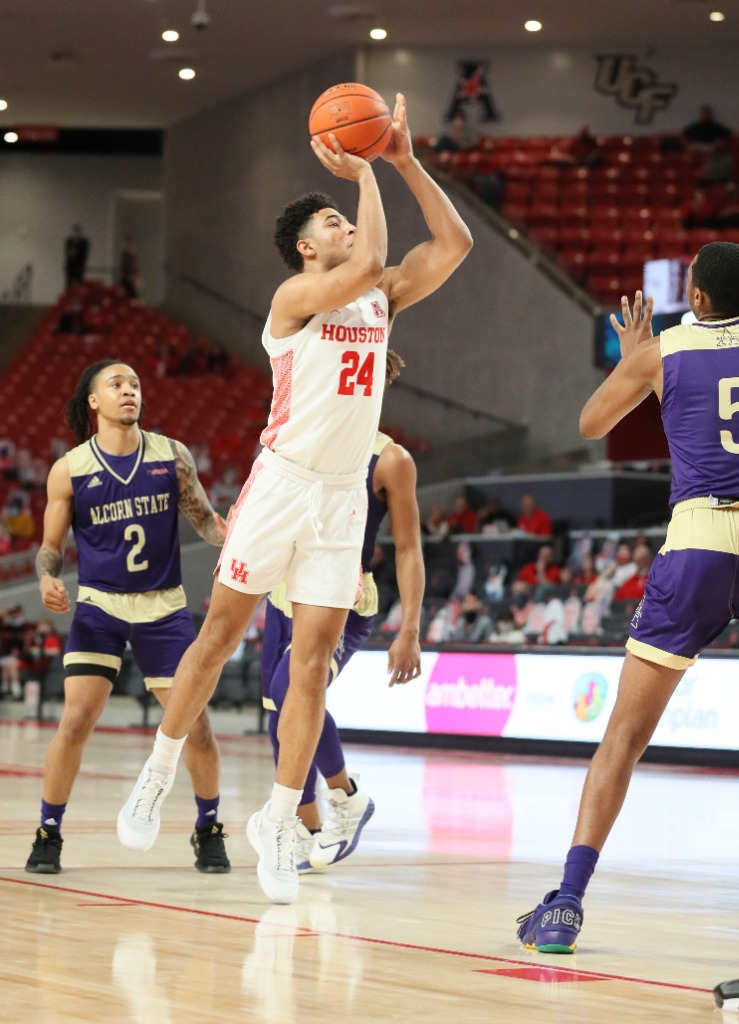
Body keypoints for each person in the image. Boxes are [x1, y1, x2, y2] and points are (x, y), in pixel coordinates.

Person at [117, 92, 472, 904]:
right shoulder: (291, 299)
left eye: (346, 220)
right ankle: (159, 769)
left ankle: (282, 819)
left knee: (308, 666)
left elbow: (454, 242)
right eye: (334, 225)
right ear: (305, 248)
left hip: (343, 498)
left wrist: (403, 159)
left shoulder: (380, 295)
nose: (347, 230)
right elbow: (364, 257)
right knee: (219, 634)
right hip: (281, 483)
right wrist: (366, 171)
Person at [516, 241, 739, 953]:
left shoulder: (662, 350)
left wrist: (632, 359)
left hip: (700, 540)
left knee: (624, 737)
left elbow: (588, 424)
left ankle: (565, 906)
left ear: (695, 298)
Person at [25, 360, 231, 875]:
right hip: (100, 607)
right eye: (116, 384)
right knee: (75, 720)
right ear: (93, 401)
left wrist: (247, 540)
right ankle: (48, 832)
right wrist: (47, 578)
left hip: (164, 608)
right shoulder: (69, 469)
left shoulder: (171, 456)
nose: (129, 391)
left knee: (196, 727)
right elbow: (50, 549)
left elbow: (205, 522)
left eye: (135, 384)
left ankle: (208, 828)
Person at [263, 407, 424, 872]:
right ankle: (304, 830)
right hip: (284, 593)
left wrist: (409, 628)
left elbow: (409, 547)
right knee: (278, 717)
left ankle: (346, 796)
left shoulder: (390, 459)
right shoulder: (297, 439)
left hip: (342, 598)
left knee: (290, 691)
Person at [64, 225, 89, 290]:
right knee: (69, 284)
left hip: (79, 266)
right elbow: (67, 254)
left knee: (79, 283)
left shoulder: (84, 242)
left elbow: (84, 255)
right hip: (70, 266)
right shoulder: (69, 241)